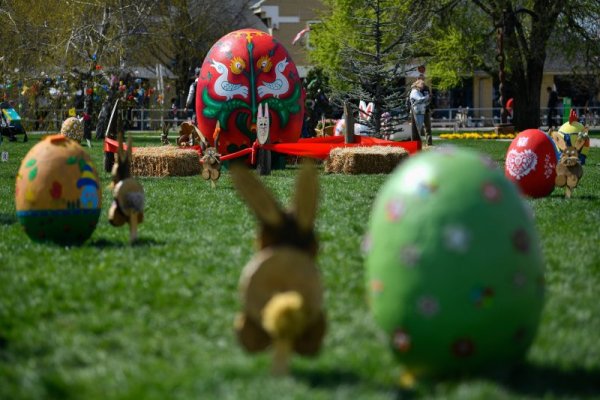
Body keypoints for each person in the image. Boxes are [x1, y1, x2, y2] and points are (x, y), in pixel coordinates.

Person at [410, 76, 432, 145]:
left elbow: (427, 99)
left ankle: (428, 143)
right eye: (421, 82)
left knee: (427, 127)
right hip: (417, 112)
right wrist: (426, 97)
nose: (423, 84)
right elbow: (419, 99)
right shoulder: (414, 91)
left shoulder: (426, 88)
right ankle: (415, 143)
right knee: (417, 128)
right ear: (417, 81)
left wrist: (428, 100)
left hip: (424, 110)